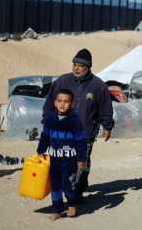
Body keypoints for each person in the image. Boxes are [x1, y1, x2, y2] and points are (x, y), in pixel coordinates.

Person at [42, 48, 113, 199]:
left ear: (88, 68)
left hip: (85, 133)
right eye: (74, 64)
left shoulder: (98, 86)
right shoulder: (62, 81)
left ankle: (76, 191)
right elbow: (49, 103)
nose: (76, 68)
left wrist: (107, 126)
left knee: (81, 164)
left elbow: (105, 107)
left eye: (80, 66)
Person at [38, 89, 87, 220]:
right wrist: (41, 150)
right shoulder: (50, 119)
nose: (62, 104)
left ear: (72, 104)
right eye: (59, 101)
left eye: (66, 101)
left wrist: (81, 159)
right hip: (54, 158)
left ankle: (71, 204)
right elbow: (45, 136)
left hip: (70, 159)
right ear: (54, 103)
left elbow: (81, 141)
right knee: (55, 185)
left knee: (69, 184)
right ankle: (58, 210)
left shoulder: (75, 121)